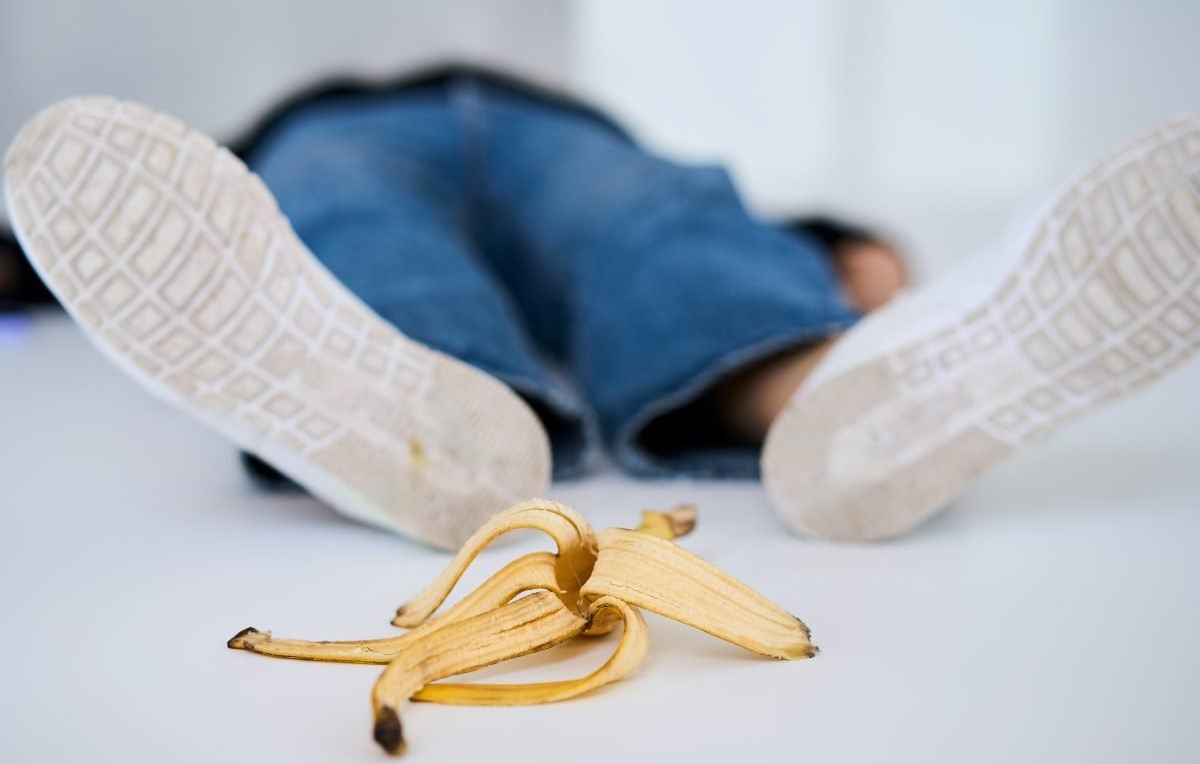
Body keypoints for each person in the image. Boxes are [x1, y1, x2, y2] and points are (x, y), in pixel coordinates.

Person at [4, 67, 1197, 548]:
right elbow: (198, 223)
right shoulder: (304, 124)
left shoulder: (548, 115)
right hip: (334, 142)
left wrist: (839, 247)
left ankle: (830, 399)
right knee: (350, 215)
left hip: (559, 141)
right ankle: (408, 402)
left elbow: (682, 217)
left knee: (653, 223)